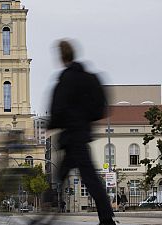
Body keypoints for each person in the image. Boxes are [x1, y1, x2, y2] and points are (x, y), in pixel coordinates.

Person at [48, 40, 116, 225]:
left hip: (71, 136)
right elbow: (101, 108)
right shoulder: (90, 78)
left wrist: (53, 124)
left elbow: (57, 108)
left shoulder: (65, 79)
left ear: (62, 57)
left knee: (87, 178)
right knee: (67, 173)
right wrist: (85, 119)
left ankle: (107, 218)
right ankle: (48, 210)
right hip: (82, 133)